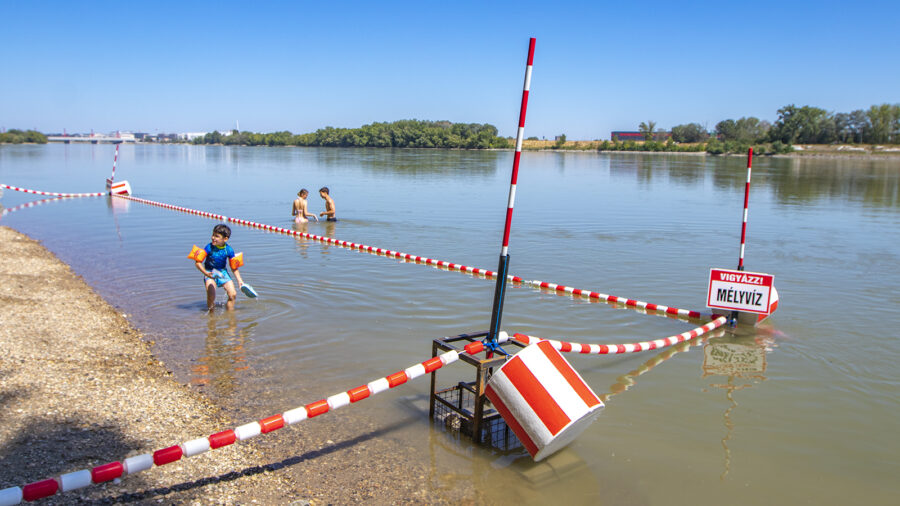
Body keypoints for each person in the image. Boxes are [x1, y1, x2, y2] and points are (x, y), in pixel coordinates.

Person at [195, 224, 245, 311]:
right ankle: (211, 317)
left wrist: (240, 281)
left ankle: (230, 316)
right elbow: (198, 262)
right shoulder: (209, 247)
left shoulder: (228, 250)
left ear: (225, 239)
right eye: (213, 235)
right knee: (211, 296)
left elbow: (234, 267)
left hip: (222, 273)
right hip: (209, 272)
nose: (213, 238)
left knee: (232, 294)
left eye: (217, 236)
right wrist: (205, 273)